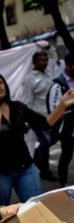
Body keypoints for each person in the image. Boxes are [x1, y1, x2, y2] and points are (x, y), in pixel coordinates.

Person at [0, 71, 74, 205]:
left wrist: (62, 104)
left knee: (36, 209)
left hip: (25, 169)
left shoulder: (17, 107)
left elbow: (45, 124)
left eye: (1, 82)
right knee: (2, 216)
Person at [20, 51, 57, 181]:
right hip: (37, 116)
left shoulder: (48, 73)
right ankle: (45, 171)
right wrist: (27, 121)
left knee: (52, 139)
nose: (44, 62)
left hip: (51, 115)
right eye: (41, 60)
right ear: (34, 62)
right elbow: (26, 101)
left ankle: (36, 158)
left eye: (45, 60)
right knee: (46, 141)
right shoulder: (29, 79)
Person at [47, 53, 74, 187]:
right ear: (69, 66)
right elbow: (53, 112)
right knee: (66, 155)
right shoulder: (58, 86)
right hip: (67, 129)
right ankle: (63, 185)